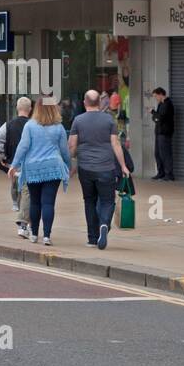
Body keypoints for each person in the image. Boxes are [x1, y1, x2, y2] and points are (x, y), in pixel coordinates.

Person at [70, 89, 132, 251]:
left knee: (89, 201)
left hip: (85, 168)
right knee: (107, 200)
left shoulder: (78, 120)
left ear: (84, 103)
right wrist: (123, 166)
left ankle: (92, 238)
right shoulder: (108, 120)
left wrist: (70, 164)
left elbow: (72, 146)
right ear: (99, 103)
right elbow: (116, 144)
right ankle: (104, 224)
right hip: (106, 168)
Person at [9, 97, 72, 246]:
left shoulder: (30, 126)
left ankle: (34, 234)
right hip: (53, 168)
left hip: (33, 168)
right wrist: (68, 166)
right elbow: (65, 151)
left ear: (36, 108)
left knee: (35, 202)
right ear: (54, 108)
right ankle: (47, 236)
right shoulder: (59, 127)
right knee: (48, 203)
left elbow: (23, 147)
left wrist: (14, 165)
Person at [0, 97, 33, 239]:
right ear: (30, 109)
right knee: (28, 193)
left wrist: (1, 157)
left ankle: (21, 214)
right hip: (30, 164)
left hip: (14, 165)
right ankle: (26, 224)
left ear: (17, 108)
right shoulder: (33, 125)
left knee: (20, 191)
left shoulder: (8, 125)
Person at [150, 88, 175, 181]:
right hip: (158, 132)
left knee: (165, 154)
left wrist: (153, 113)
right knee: (158, 153)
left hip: (165, 133)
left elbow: (160, 118)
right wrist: (155, 116)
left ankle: (169, 174)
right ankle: (161, 173)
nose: (155, 98)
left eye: (156, 96)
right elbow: (156, 118)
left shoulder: (168, 104)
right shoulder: (161, 104)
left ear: (161, 94)